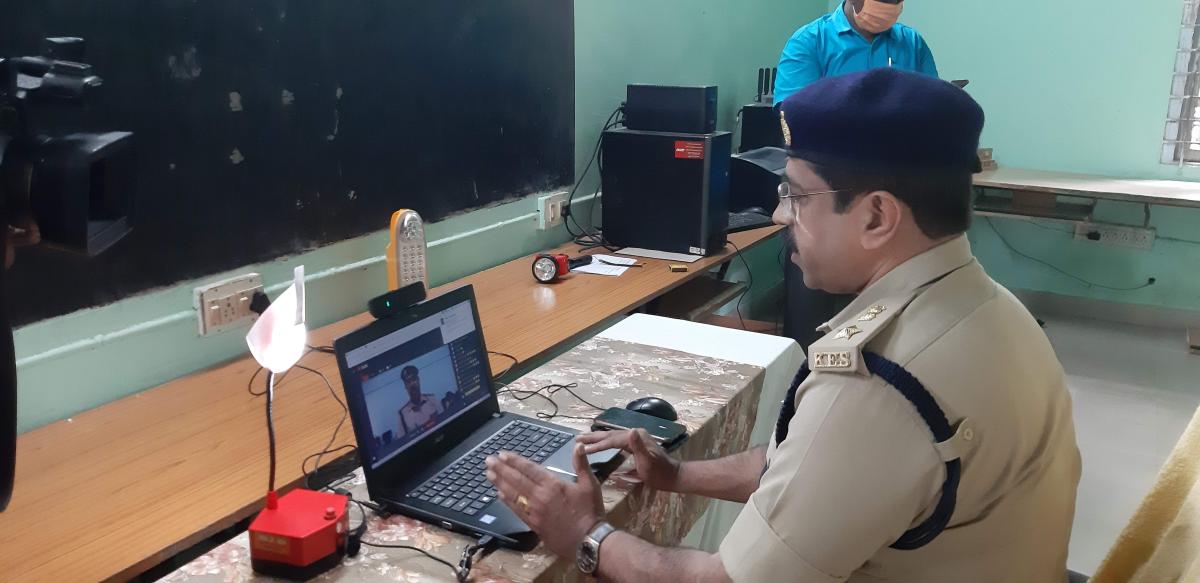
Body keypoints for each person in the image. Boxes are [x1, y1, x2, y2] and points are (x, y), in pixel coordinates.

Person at [485, 69, 1081, 582]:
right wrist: (676, 474)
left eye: (796, 196)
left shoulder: (882, 385)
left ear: (877, 216)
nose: (777, 215)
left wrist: (585, 534)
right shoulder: (991, 308)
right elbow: (808, 467)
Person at [773, 0, 938, 106]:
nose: (888, 5)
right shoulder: (808, 42)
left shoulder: (913, 44)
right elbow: (794, 119)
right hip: (829, 150)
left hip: (901, 149)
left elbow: (934, 107)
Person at [398, 365, 442, 432]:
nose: (412, 384)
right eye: (408, 382)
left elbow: (444, 419)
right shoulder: (403, 414)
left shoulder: (432, 399)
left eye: (414, 379)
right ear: (405, 386)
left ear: (419, 380)